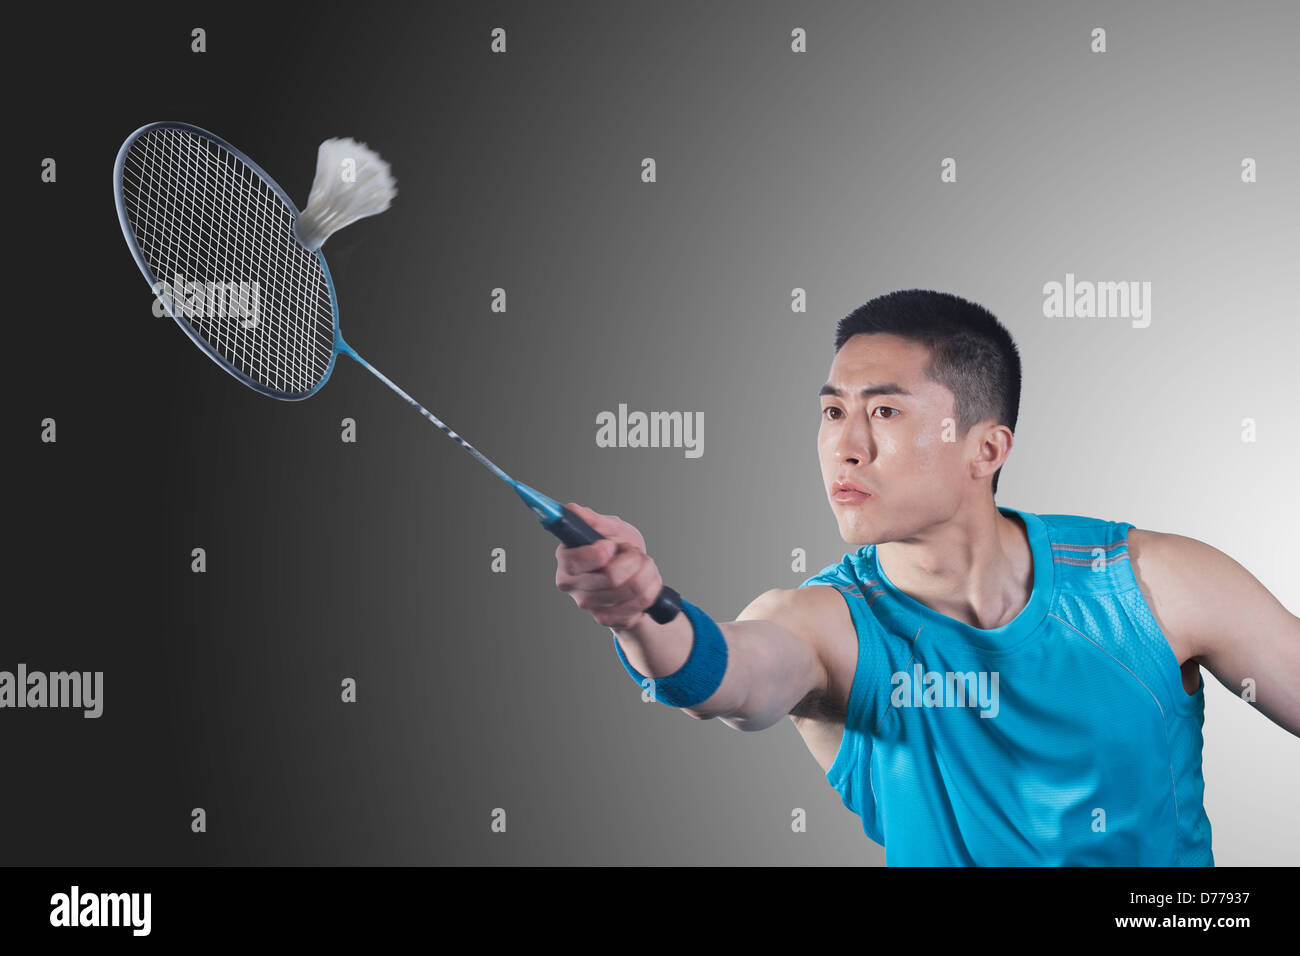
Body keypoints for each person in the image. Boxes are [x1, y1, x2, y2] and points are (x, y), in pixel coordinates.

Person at [554, 289, 1300, 865]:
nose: (845, 446)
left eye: (883, 410)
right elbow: (722, 679)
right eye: (831, 411)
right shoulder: (827, 624)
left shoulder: (1154, 583)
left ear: (986, 449)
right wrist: (638, 609)